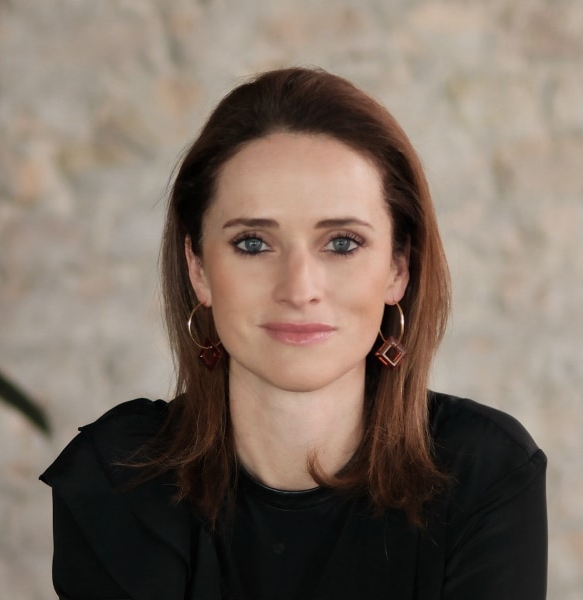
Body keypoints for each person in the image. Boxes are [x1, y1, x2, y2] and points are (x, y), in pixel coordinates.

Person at [41, 67, 547, 600]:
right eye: (254, 243)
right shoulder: (119, 479)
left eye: (343, 243)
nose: (299, 288)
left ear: (399, 268)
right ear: (198, 268)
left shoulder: (484, 473)